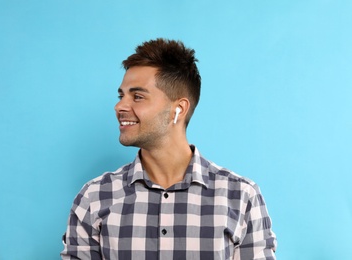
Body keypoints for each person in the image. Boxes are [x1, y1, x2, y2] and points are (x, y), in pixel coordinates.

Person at [61, 38, 277, 260]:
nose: (120, 106)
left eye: (137, 96)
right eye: (121, 96)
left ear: (179, 109)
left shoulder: (241, 197)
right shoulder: (94, 196)